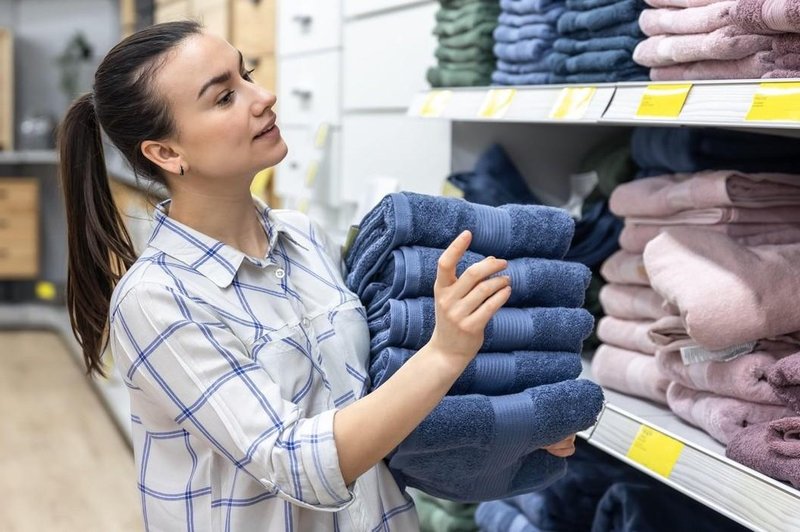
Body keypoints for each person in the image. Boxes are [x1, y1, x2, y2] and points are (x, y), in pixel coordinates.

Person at [58, 21, 576, 531]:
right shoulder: (158, 299)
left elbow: (379, 401)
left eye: (247, 74)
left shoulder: (305, 238)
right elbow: (292, 463)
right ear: (166, 153)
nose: (263, 96)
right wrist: (444, 353)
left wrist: (517, 428)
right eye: (223, 98)